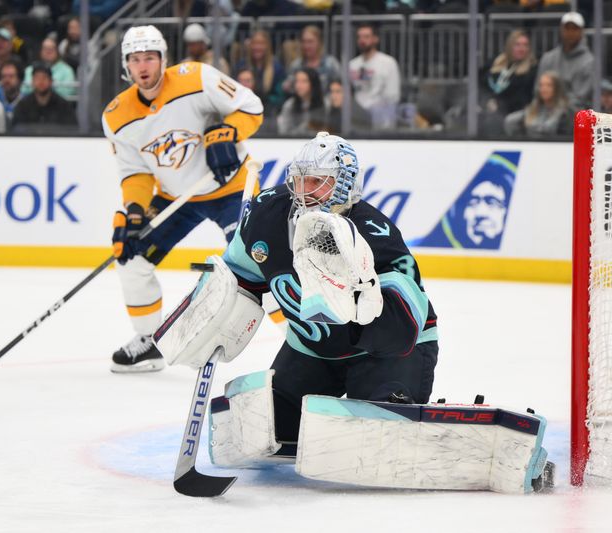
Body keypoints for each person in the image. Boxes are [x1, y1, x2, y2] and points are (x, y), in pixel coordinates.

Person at [157, 131, 439, 467]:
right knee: (269, 428)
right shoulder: (265, 215)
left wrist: (361, 302)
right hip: (313, 348)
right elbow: (238, 276)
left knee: (377, 434)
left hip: (386, 352)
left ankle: (393, 401)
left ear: (345, 185)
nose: (305, 193)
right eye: (299, 181)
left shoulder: (374, 231)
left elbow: (407, 323)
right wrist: (214, 311)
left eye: (318, 182)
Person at [102, 25, 263, 372]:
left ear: (163, 59)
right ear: (125, 65)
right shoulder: (116, 116)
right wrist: (133, 211)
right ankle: (149, 341)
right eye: (135, 59)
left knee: (258, 259)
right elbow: (135, 173)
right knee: (131, 261)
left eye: (149, 57)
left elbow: (251, 106)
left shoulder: (197, 78)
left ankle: (303, 342)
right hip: (177, 197)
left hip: (231, 185)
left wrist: (229, 131)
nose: (143, 66)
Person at [479, 29, 537, 136]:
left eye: (525, 45)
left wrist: (499, 104)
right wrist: (487, 100)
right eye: (517, 45)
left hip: (512, 112)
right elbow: (480, 84)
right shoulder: (495, 63)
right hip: (487, 109)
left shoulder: (532, 71)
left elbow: (524, 98)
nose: (521, 49)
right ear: (510, 46)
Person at [536, 11, 593, 113]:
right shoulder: (548, 58)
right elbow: (537, 89)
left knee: (554, 123)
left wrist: (558, 105)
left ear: (581, 32)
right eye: (567, 28)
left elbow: (581, 98)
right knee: (512, 121)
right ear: (561, 30)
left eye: (574, 29)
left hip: (573, 111)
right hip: (545, 107)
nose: (570, 33)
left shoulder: (589, 62)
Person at [348, 24, 401, 131]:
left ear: (375, 39)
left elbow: (393, 95)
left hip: (381, 118)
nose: (362, 40)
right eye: (360, 37)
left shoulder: (388, 62)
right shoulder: (352, 64)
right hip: (357, 118)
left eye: (366, 36)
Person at [504, 71, 571, 138]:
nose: (544, 89)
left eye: (549, 85)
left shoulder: (565, 112)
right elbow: (510, 121)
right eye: (541, 85)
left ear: (557, 88)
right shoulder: (532, 109)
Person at [12, 63, 77, 132]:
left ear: (51, 81)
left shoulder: (64, 106)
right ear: (32, 82)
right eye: (37, 78)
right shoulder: (22, 106)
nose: (41, 81)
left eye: (44, 77)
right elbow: (16, 130)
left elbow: (71, 130)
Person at [233, 29, 285, 115]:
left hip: (268, 111)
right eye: (255, 43)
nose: (257, 47)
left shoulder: (277, 68)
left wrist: (265, 100)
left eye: (261, 44)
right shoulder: (240, 66)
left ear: (267, 46)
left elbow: (280, 96)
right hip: (242, 109)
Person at [283, 25, 341, 97]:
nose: (306, 46)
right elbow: (288, 88)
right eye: (304, 42)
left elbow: (340, 87)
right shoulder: (296, 65)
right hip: (301, 104)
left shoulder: (331, 64)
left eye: (310, 42)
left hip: (326, 104)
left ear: (319, 43)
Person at [277, 68, 326, 136]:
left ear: (313, 83)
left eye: (304, 81)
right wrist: (305, 127)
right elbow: (284, 132)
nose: (299, 85)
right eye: (297, 81)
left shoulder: (326, 104)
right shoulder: (289, 105)